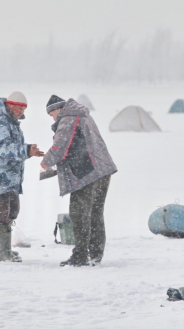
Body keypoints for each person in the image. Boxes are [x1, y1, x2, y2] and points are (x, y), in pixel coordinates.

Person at [41, 95, 117, 267]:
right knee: (95, 213)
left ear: (57, 109)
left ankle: (80, 256)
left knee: (79, 214)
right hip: (103, 169)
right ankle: (96, 254)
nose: (52, 118)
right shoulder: (84, 115)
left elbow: (60, 147)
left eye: (51, 114)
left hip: (87, 172)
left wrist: (46, 161)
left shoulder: (68, 118)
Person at [0, 91, 44, 262]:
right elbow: (4, 149)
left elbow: (13, 148)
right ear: (9, 105)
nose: (21, 111)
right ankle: (4, 253)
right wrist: (26, 150)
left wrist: (29, 151)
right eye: (18, 107)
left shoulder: (12, 123)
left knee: (11, 211)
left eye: (24, 108)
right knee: (2, 214)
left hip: (9, 178)